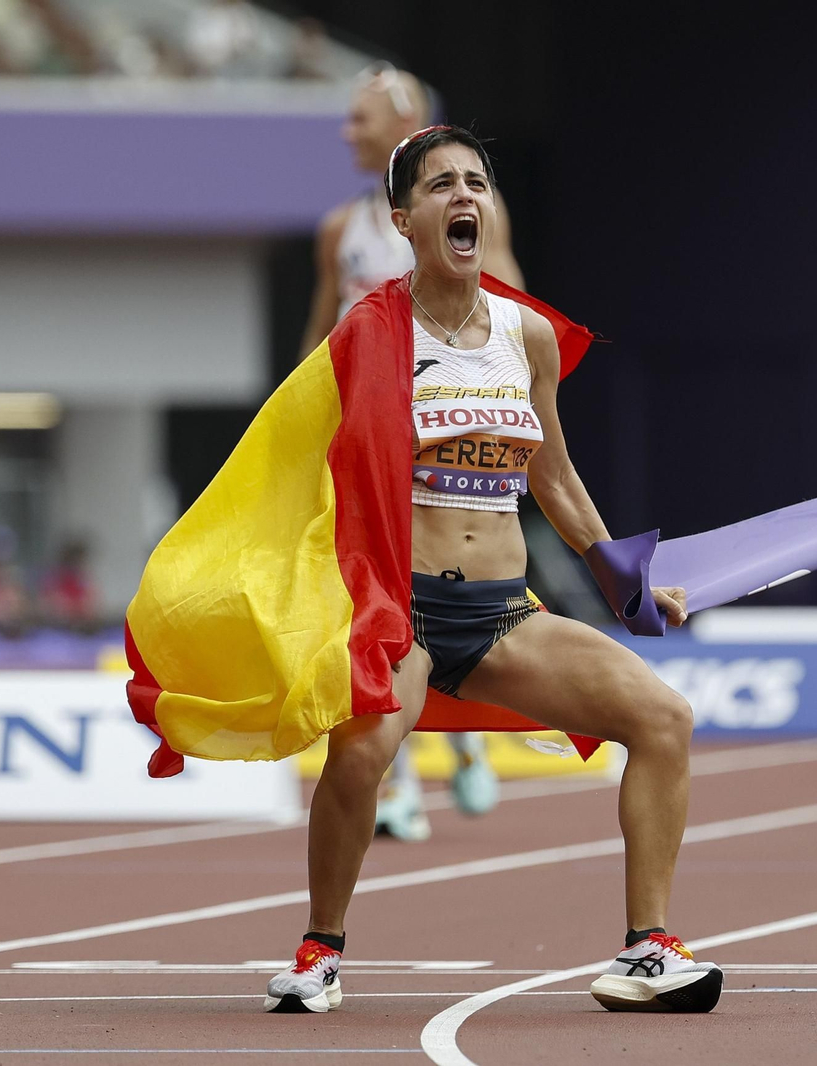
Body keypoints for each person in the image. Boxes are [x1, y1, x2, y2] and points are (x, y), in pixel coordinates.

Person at [263, 126, 720, 1014]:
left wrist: (620, 578)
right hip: (406, 614)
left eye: (477, 182)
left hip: (507, 613)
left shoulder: (528, 334)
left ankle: (647, 951)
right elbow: (313, 466)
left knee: (664, 719)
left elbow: (550, 471)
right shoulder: (370, 333)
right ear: (405, 218)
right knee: (357, 762)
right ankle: (320, 951)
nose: (463, 196)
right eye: (441, 185)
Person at [298, 64, 525, 841]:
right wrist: (299, 429)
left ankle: (461, 746)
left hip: (442, 449)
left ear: (401, 121)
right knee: (371, 610)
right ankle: (395, 781)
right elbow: (323, 337)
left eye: (358, 119)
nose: (345, 132)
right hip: (367, 447)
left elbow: (515, 307)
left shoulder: (465, 217)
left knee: (434, 602)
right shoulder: (342, 228)